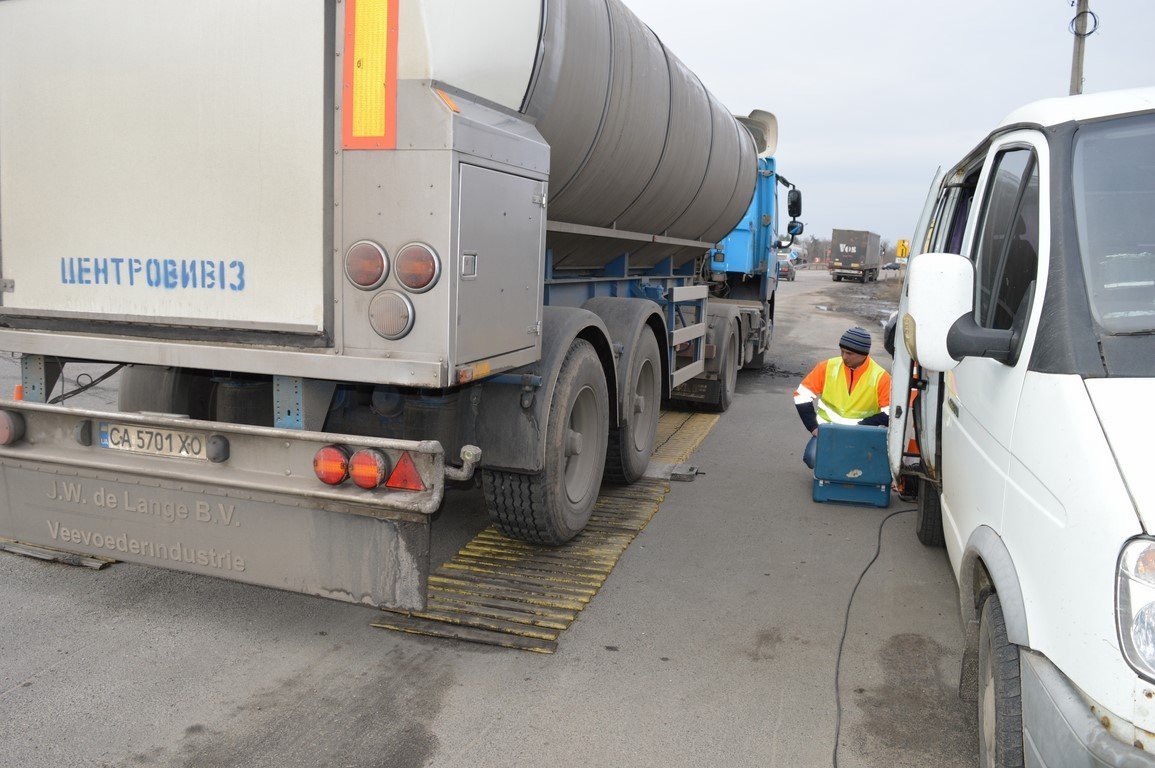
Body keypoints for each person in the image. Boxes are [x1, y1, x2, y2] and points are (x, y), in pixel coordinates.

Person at [793, 326, 891, 469]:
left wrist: (862, 426)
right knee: (812, 458)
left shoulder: (881, 377)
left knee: (866, 464)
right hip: (829, 431)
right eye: (842, 351)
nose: (844, 357)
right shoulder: (827, 367)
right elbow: (801, 395)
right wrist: (813, 427)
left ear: (864, 354)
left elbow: (891, 413)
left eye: (850, 353)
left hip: (862, 435)